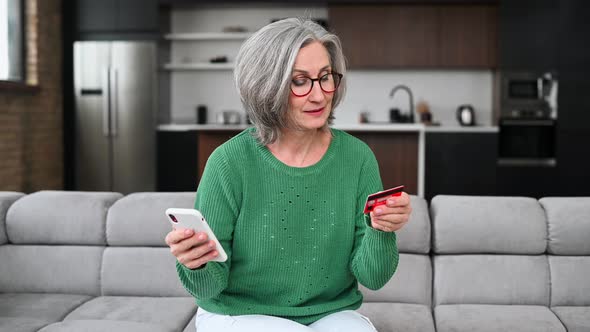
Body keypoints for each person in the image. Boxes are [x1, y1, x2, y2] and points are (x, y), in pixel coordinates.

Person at [165, 17, 412, 332]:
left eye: (326, 77)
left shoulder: (358, 158)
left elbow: (373, 278)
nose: (320, 94)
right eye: (300, 81)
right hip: (237, 313)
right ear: (268, 86)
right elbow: (208, 288)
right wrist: (195, 262)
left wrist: (381, 230)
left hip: (330, 312)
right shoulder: (228, 162)